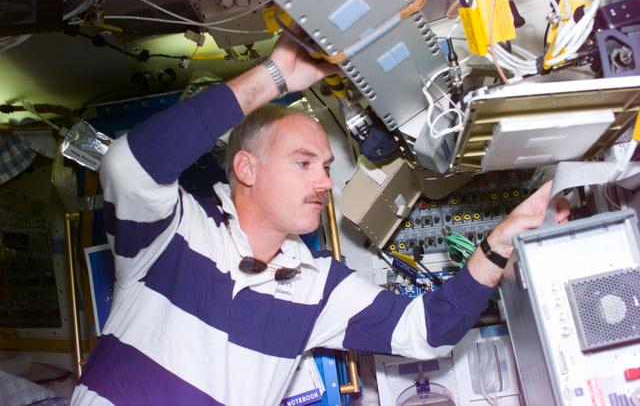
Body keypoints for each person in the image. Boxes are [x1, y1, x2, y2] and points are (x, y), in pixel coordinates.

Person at [71, 32, 570, 405]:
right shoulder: (170, 233)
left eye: (327, 167)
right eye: (304, 163)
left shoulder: (316, 286)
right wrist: (274, 76)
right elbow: (127, 167)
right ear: (246, 168)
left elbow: (427, 330)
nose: (325, 183)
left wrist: (499, 242)